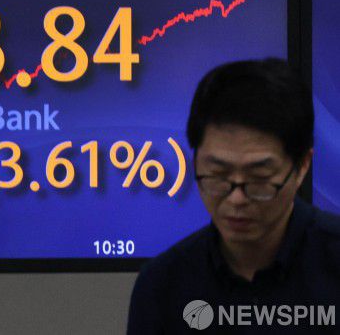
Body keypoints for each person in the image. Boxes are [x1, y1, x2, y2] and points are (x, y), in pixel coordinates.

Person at [127, 58, 340, 334]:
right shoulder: (163, 286)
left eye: (259, 178)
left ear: (301, 166)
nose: (236, 199)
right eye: (218, 174)